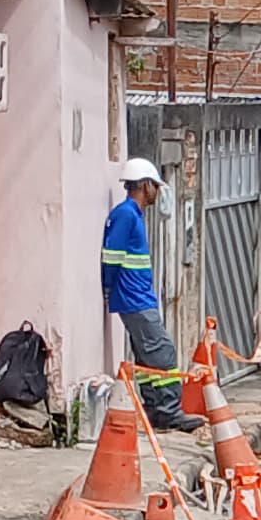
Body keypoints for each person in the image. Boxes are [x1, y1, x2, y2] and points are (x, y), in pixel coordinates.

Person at [101, 158, 187, 428]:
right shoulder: (126, 215)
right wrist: (109, 287)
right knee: (163, 353)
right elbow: (112, 257)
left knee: (146, 357)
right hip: (134, 298)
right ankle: (168, 411)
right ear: (146, 185)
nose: (157, 192)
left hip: (136, 297)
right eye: (155, 187)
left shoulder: (131, 215)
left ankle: (157, 411)